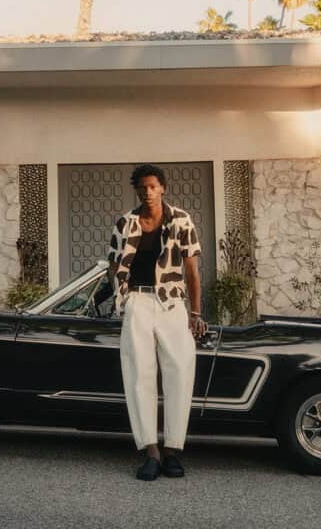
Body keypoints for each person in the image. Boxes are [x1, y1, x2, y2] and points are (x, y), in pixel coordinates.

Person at [107, 163, 207, 481]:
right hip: (138, 301)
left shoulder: (181, 221)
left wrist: (195, 312)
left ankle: (173, 451)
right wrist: (121, 295)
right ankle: (150, 451)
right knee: (139, 375)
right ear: (136, 190)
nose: (147, 191)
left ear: (162, 187)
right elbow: (113, 264)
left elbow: (192, 271)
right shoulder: (125, 223)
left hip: (172, 303)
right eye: (141, 187)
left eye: (152, 186)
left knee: (180, 370)